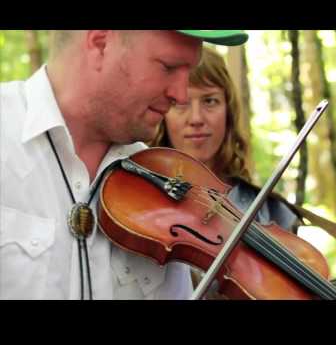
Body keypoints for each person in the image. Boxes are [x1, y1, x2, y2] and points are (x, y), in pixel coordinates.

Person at [0, 30, 249, 300]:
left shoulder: (161, 181)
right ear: (100, 43)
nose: (180, 94)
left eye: (188, 71)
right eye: (169, 67)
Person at [151, 47, 336, 300]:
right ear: (163, 114)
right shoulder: (136, 197)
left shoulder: (270, 212)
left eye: (210, 100)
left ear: (229, 112)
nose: (197, 118)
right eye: (181, 104)